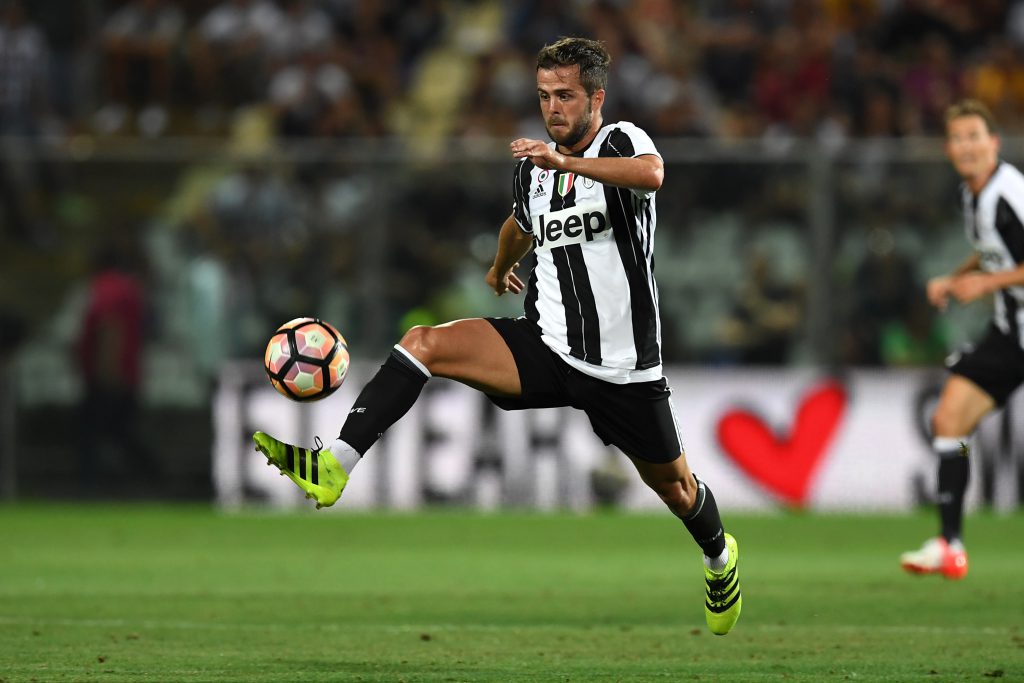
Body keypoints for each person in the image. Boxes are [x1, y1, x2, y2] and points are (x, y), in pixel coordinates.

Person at [252, 37, 742, 635]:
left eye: (565, 95)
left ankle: (720, 559)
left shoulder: (620, 143)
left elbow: (653, 174)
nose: (553, 108)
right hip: (546, 344)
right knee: (423, 343)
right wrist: (497, 263)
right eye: (544, 96)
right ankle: (334, 466)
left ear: (596, 98)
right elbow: (520, 221)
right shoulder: (532, 170)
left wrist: (568, 163)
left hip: (624, 370)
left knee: (677, 490)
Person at [899, 99, 1024, 580]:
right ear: (949, 148)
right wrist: (956, 278)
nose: (967, 146)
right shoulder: (972, 195)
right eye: (958, 138)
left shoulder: (1008, 194)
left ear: (994, 143)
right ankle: (949, 544)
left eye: (975, 136)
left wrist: (985, 285)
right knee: (950, 420)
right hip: (1012, 336)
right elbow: (991, 252)